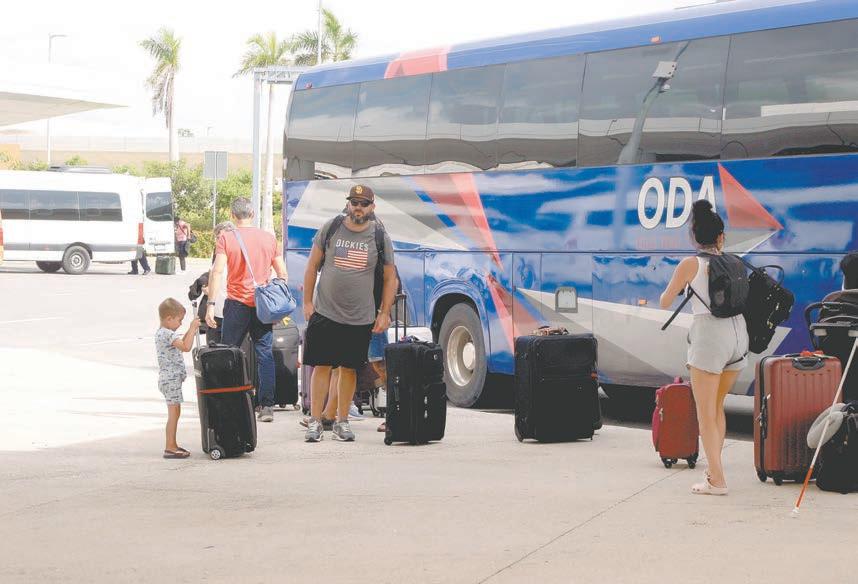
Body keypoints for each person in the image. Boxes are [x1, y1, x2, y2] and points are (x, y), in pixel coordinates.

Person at [659, 200, 748, 496]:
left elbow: (665, 301)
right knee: (717, 406)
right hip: (738, 336)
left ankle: (718, 480)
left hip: (710, 337)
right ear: (721, 237)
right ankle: (713, 472)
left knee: (705, 414)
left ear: (694, 237)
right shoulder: (735, 262)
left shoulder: (690, 264)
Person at [302, 184, 397, 442]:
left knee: (348, 369)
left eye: (364, 203)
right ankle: (315, 421)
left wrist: (384, 312)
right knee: (322, 366)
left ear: (372, 207)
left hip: (360, 317)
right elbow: (312, 267)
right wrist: (307, 303)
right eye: (354, 202)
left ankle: (342, 422)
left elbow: (390, 278)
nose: (358, 207)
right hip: (325, 311)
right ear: (348, 204)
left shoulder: (379, 235)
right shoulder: (332, 227)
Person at [205, 198, 287, 423]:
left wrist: (210, 305)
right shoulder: (269, 238)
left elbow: (217, 272)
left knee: (228, 353)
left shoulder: (226, 238)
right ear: (252, 214)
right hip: (262, 305)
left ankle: (229, 402)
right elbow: (282, 273)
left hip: (236, 304)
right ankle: (267, 406)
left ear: (232, 215)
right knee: (265, 355)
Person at [155, 298, 200, 459]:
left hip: (170, 379)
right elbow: (186, 347)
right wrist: (192, 328)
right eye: (179, 320)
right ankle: (170, 447)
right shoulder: (167, 334)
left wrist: (190, 330)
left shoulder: (164, 333)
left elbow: (182, 342)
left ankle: (173, 444)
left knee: (176, 412)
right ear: (169, 318)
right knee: (173, 415)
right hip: (170, 380)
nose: (180, 324)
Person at [203, 221, 234, 344]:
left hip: (232, 314)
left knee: (231, 350)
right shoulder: (217, 257)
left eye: (221, 238)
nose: (219, 241)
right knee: (213, 350)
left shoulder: (237, 257)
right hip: (216, 313)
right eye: (217, 238)